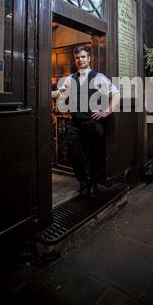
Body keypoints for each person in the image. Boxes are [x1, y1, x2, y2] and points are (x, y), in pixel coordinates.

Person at [52, 45, 120, 198]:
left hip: (93, 123)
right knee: (74, 152)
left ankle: (93, 184)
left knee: (95, 155)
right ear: (75, 60)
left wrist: (106, 112)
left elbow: (116, 94)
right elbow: (59, 93)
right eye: (77, 58)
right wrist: (45, 91)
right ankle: (82, 182)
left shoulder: (99, 77)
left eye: (83, 57)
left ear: (89, 58)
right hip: (76, 123)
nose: (80, 60)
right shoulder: (70, 79)